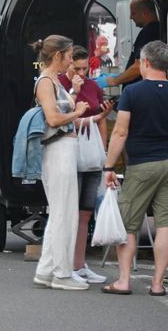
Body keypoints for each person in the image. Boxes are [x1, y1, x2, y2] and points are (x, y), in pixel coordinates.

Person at [102, 40, 168, 296]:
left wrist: (109, 165)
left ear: (146, 63)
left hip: (141, 165)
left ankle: (124, 280)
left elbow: (119, 132)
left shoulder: (133, 92)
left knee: (128, 223)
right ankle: (157, 283)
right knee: (164, 224)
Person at [31, 35, 90, 291]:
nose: (70, 61)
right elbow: (53, 118)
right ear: (57, 56)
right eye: (68, 56)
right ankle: (61, 273)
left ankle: (47, 270)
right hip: (57, 148)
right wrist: (76, 112)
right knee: (63, 213)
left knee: (61, 211)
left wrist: (74, 98)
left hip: (62, 148)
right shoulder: (46, 82)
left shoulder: (52, 81)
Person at [57, 45, 113, 284]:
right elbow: (59, 118)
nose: (81, 72)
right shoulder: (59, 85)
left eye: (84, 68)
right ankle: (64, 264)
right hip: (68, 151)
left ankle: (79, 265)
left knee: (85, 212)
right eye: (76, 68)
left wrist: (104, 151)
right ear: (68, 65)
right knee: (68, 211)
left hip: (91, 153)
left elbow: (101, 120)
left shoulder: (93, 86)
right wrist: (73, 90)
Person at [107, 0, 160, 88]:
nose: (130, 17)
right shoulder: (155, 30)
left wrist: (115, 81)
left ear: (145, 13)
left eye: (133, 13)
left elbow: (138, 67)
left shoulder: (148, 33)